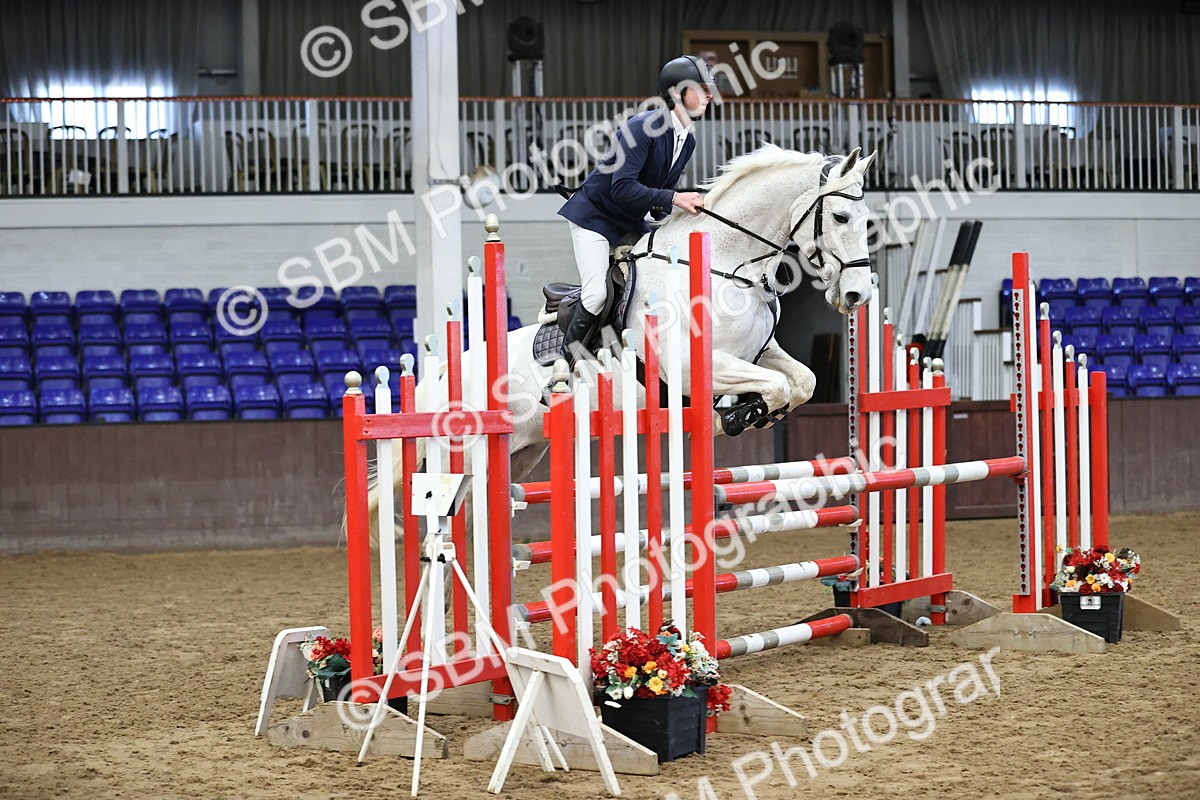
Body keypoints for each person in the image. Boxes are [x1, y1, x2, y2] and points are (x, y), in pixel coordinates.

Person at [556, 55, 716, 367]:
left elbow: (656, 203)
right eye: (701, 88)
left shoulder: (687, 141)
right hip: (595, 220)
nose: (710, 95)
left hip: (629, 222)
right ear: (677, 93)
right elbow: (622, 187)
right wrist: (674, 199)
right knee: (596, 295)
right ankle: (563, 370)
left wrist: (683, 211)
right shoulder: (642, 128)